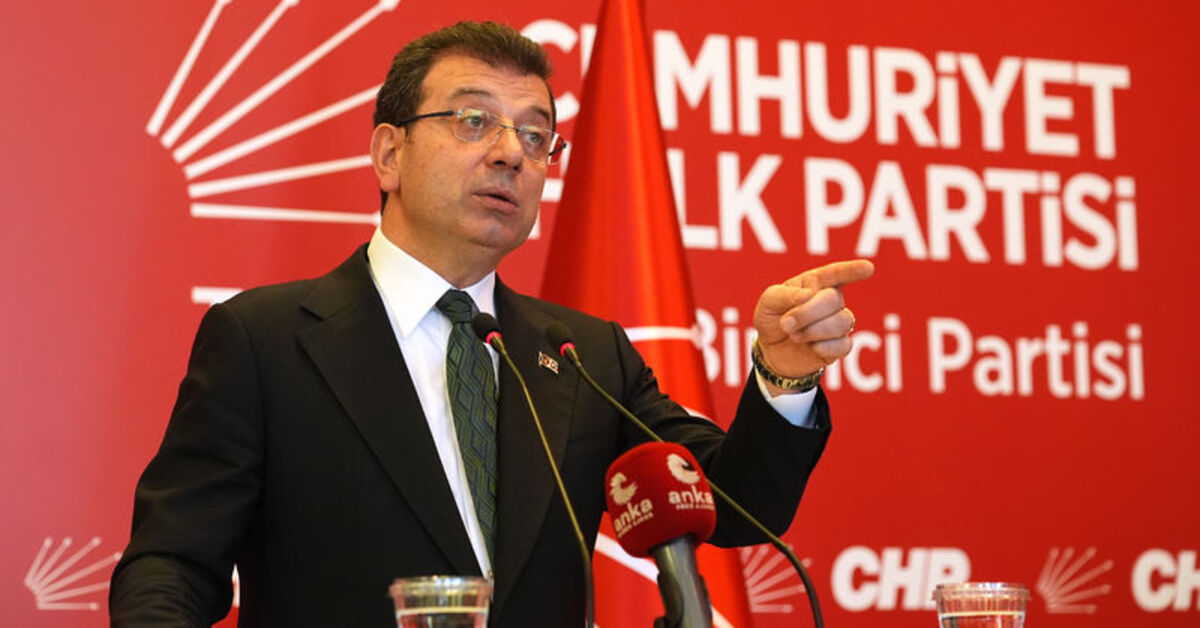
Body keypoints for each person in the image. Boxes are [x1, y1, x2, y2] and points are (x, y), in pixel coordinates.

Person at [109, 21, 873, 627]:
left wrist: (784, 376)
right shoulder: (265, 340)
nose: (511, 153)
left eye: (536, 135)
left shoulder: (583, 355)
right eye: (473, 121)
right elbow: (173, 565)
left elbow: (733, 506)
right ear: (389, 153)